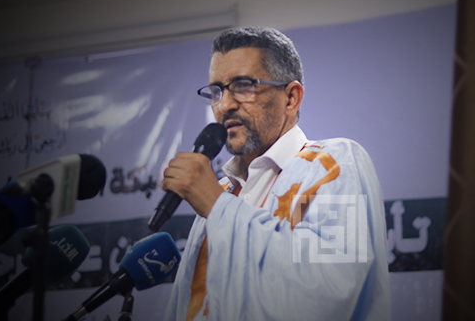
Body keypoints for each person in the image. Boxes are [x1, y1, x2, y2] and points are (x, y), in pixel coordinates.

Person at [162, 27, 391, 321]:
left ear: (291, 98)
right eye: (217, 90)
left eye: (243, 86)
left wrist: (217, 207)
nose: (224, 105)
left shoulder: (333, 165)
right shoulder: (223, 191)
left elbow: (327, 293)